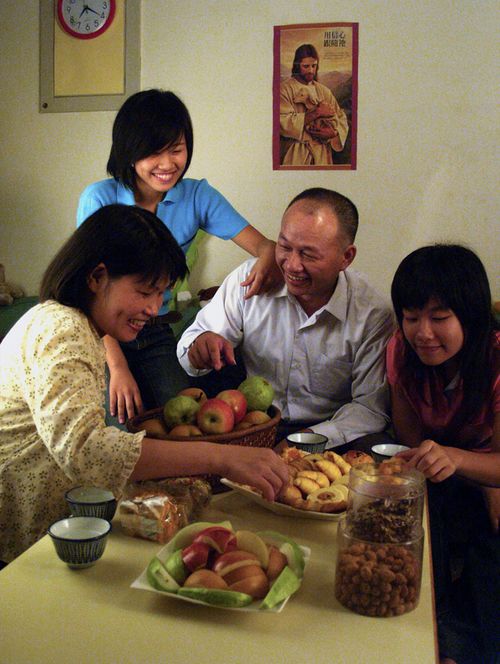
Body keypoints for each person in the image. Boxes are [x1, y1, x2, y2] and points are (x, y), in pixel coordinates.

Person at [0, 205, 288, 565]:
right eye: (145, 291)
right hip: (19, 548)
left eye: (161, 294)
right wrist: (224, 457)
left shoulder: (79, 326)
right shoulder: (63, 329)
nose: (154, 308)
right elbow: (87, 450)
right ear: (97, 277)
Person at [77, 89, 281, 423]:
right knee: (116, 428)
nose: (167, 164)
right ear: (128, 151)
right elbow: (90, 295)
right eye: (153, 152)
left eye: (176, 150)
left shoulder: (197, 195)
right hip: (102, 333)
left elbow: (265, 245)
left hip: (154, 331)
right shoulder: (99, 199)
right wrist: (117, 366)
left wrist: (265, 260)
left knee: (182, 420)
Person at [177, 188, 394, 448]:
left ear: (346, 257)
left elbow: (369, 409)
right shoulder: (251, 281)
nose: (291, 265)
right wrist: (200, 347)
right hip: (253, 424)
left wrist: (304, 442)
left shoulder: (371, 313)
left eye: (308, 254)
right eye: (285, 246)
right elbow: (189, 346)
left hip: (331, 433)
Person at [387, 244, 500, 664]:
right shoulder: (400, 349)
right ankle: (433, 644)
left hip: (477, 467)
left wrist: (468, 467)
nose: (423, 333)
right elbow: (411, 443)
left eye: (439, 317)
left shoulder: (495, 358)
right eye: (412, 317)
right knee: (416, 521)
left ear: (470, 315)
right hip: (440, 472)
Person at [280, 44, 349, 166]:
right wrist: (317, 112)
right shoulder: (284, 89)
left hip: (322, 154)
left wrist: (334, 133)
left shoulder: (324, 91)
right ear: (297, 66)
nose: (311, 70)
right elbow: (282, 121)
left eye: (314, 66)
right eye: (306, 66)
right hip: (296, 154)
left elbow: (340, 117)